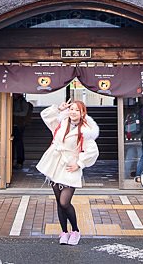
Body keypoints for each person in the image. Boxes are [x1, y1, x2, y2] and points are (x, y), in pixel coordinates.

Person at [35, 99, 99, 246]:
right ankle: (64, 232)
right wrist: (59, 109)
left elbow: (93, 151)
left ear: (83, 113)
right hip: (55, 165)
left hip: (70, 167)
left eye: (77, 110)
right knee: (59, 201)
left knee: (65, 202)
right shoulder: (61, 122)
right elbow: (45, 115)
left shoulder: (85, 130)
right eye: (71, 109)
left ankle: (75, 230)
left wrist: (79, 163)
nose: (73, 112)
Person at [11, 94, 32, 168]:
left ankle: (19, 161)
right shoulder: (13, 101)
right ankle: (14, 161)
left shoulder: (23, 102)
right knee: (14, 143)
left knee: (18, 143)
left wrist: (12, 113)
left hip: (19, 125)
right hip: (14, 124)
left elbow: (24, 113)